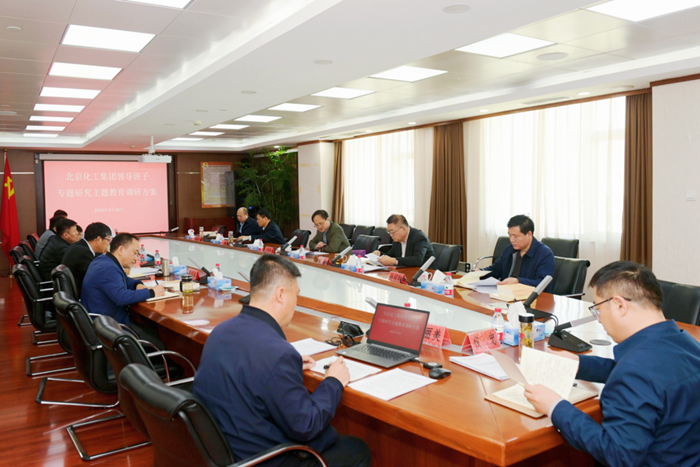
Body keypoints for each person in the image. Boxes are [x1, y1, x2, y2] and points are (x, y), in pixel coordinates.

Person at [193, 255, 371, 467]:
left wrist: (288, 366)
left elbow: (250, 365)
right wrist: (333, 381)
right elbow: (307, 425)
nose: (296, 303)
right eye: (296, 295)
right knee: (357, 450)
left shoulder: (220, 331)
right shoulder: (277, 354)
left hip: (221, 450)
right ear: (280, 295)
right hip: (262, 459)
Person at [524, 261, 700, 467]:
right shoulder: (687, 343)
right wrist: (579, 363)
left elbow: (618, 455)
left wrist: (555, 406)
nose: (599, 320)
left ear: (619, 305)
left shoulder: (635, 372)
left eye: (598, 309)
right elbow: (654, 377)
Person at [82, 233, 165, 345]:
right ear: (121, 250)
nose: (136, 259)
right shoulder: (108, 268)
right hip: (111, 328)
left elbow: (124, 279)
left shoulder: (103, 260)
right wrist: (151, 292)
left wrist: (137, 285)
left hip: (104, 322)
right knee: (159, 343)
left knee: (153, 331)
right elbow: (122, 297)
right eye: (135, 253)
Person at [481, 215, 555, 292]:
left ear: (529, 235)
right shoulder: (509, 249)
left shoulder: (544, 254)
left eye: (515, 236)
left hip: (529, 296)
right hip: (505, 293)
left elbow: (543, 284)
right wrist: (480, 272)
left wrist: (518, 281)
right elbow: (496, 269)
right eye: (509, 235)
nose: (511, 240)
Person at [61, 222, 112, 296]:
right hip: (81, 296)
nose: (108, 244)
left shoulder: (81, 246)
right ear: (98, 239)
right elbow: (99, 277)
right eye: (108, 240)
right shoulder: (83, 253)